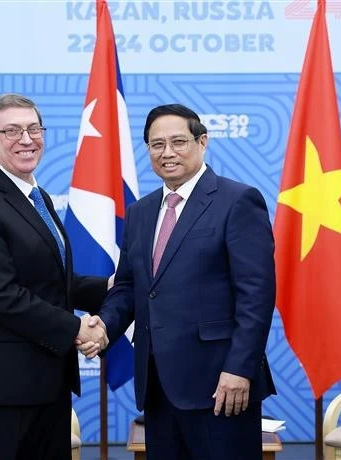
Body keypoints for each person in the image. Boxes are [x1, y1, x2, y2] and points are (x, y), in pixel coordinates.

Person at [90, 104, 276, 459]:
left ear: (202, 141)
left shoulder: (238, 200)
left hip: (220, 386)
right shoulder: (140, 211)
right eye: (156, 144)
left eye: (178, 141)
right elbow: (130, 286)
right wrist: (103, 327)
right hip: (159, 385)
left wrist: (239, 368)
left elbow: (256, 296)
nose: (167, 152)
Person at [0, 93, 109, 460]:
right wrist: (75, 328)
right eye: (12, 130)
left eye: (34, 129)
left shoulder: (37, 196)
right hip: (1, 389)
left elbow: (52, 280)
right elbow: (0, 295)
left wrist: (111, 288)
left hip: (47, 381)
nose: (26, 139)